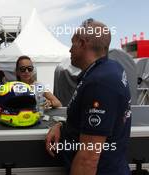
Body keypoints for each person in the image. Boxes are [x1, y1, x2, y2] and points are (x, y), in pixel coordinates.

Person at [45, 19, 131, 175]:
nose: (70, 50)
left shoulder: (99, 82)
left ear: (83, 43)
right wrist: (61, 126)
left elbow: (88, 159)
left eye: (72, 43)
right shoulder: (110, 69)